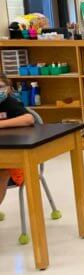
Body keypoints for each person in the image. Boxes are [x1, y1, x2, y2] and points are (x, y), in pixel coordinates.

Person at [0, 73, 35, 222]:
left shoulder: (10, 103)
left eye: (0, 87)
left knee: (2, 172)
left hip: (14, 159)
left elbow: (29, 119)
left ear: (8, 89)